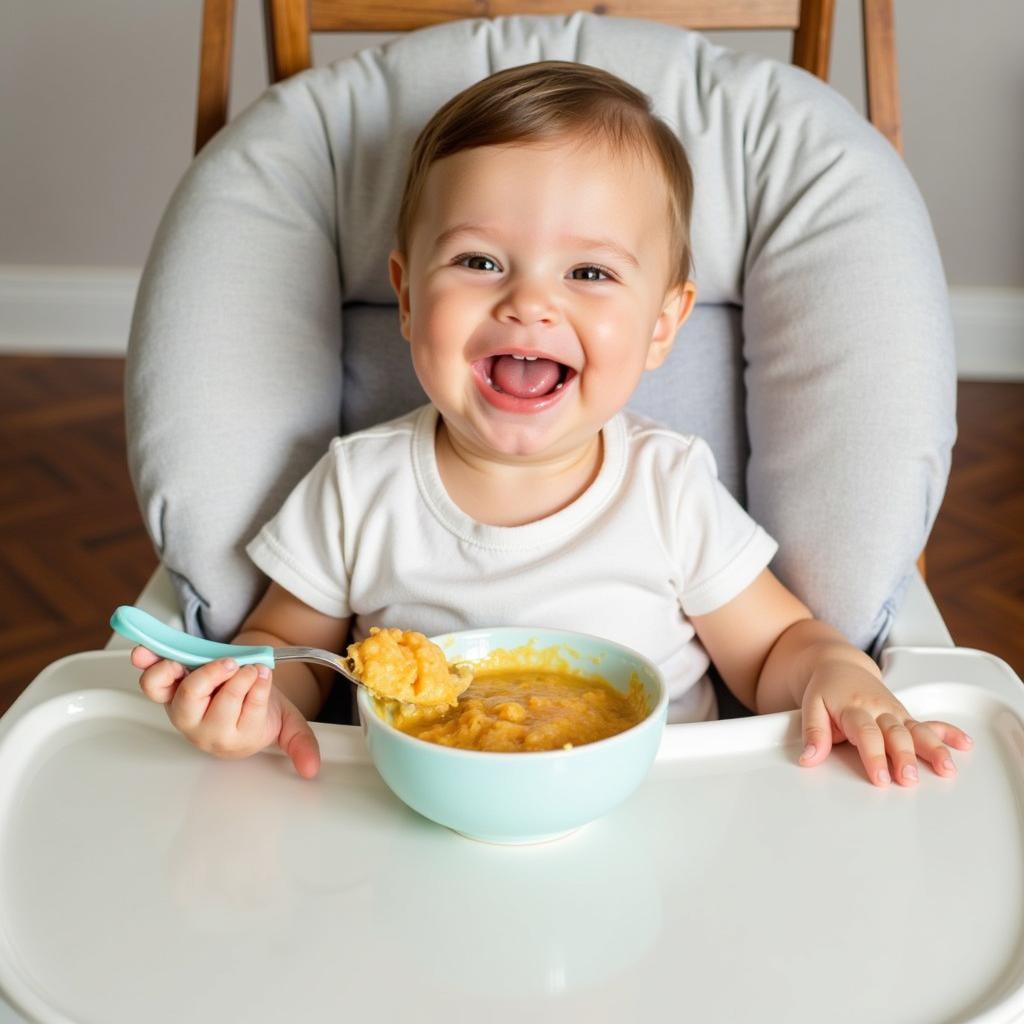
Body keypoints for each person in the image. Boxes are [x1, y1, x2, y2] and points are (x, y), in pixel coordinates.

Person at [132, 60, 970, 785]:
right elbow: (288, 647)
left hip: (653, 826)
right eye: (479, 261)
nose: (530, 300)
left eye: (590, 271)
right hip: (415, 825)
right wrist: (252, 699)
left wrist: (835, 674)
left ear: (663, 325)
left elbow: (776, 644)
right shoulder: (358, 486)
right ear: (407, 293)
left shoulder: (668, 486)